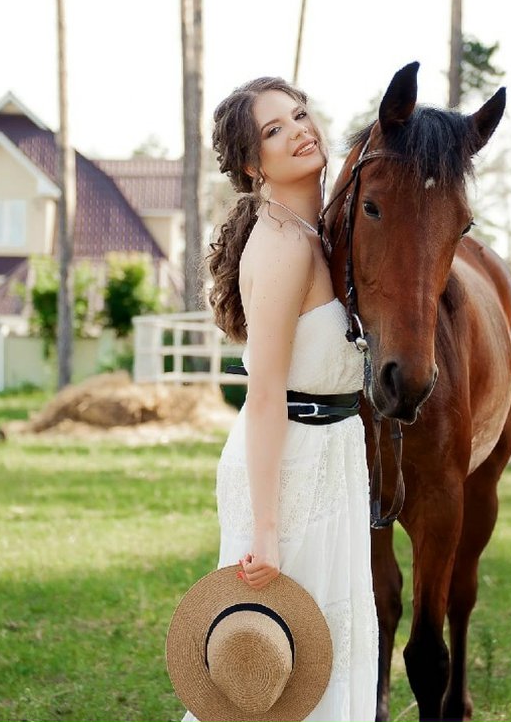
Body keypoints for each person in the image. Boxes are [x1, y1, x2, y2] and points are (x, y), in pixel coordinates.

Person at [185, 76, 377, 721]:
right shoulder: (281, 243)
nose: (299, 131)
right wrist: (265, 530)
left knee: (325, 657)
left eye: (298, 115)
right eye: (274, 129)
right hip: (290, 467)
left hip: (331, 458)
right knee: (278, 668)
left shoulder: (317, 233)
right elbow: (264, 393)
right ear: (251, 164)